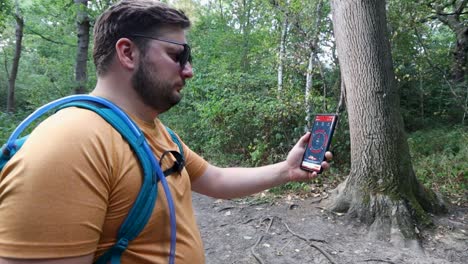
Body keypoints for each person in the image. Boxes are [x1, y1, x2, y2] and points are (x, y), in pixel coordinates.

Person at [0, 1, 332, 263]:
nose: (189, 70)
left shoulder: (154, 132)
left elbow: (215, 180)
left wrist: (286, 170)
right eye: (177, 55)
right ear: (128, 53)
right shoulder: (71, 143)